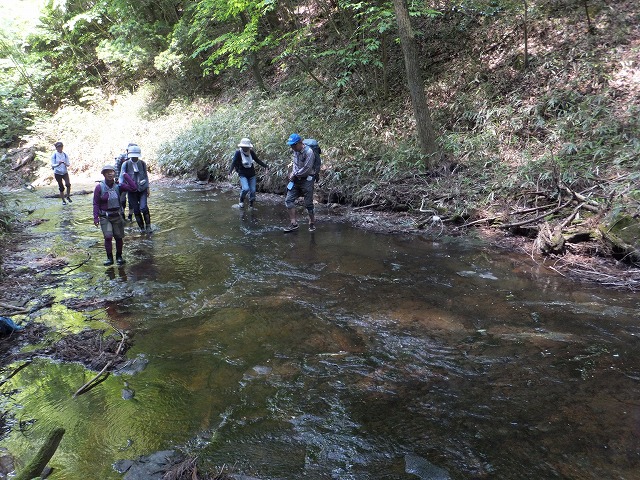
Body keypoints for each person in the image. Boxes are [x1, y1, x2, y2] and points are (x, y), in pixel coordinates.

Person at [93, 164, 137, 266]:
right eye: (107, 172)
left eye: (111, 171)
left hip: (117, 216)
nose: (110, 173)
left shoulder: (119, 186)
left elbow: (133, 188)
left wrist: (125, 175)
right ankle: (109, 258)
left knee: (118, 237)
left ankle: (119, 257)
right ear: (103, 174)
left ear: (114, 173)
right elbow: (96, 203)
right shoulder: (99, 187)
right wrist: (95, 217)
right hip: (105, 217)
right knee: (108, 237)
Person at [283, 133, 316, 232]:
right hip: (296, 179)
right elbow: (295, 164)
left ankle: (312, 222)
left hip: (307, 179)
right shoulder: (295, 151)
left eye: (293, 145)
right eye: (291, 145)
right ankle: (293, 223)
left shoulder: (309, 152)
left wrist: (295, 174)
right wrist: (293, 174)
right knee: (288, 200)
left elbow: (307, 168)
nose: (292, 147)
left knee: (308, 203)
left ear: (300, 143)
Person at [228, 137, 269, 208]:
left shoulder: (251, 152)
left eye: (247, 147)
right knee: (245, 189)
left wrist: (266, 166)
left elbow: (257, 160)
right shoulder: (238, 153)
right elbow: (234, 162)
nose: (245, 148)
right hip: (242, 174)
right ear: (241, 146)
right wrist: (230, 172)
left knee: (253, 190)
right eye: (244, 147)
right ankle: (241, 201)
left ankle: (251, 205)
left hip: (251, 174)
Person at [119, 145, 152, 233]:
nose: (134, 157)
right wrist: (120, 189)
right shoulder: (125, 164)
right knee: (136, 209)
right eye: (133, 155)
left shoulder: (142, 163)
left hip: (143, 189)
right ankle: (142, 229)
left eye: (136, 155)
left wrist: (148, 188)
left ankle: (148, 226)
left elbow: (146, 175)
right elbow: (121, 178)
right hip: (131, 191)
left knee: (143, 207)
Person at [115, 143, 136, 222]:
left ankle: (130, 216)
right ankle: (122, 214)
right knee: (122, 200)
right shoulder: (121, 157)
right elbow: (116, 168)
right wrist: (117, 179)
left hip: (132, 183)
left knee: (132, 200)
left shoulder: (135, 159)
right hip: (122, 182)